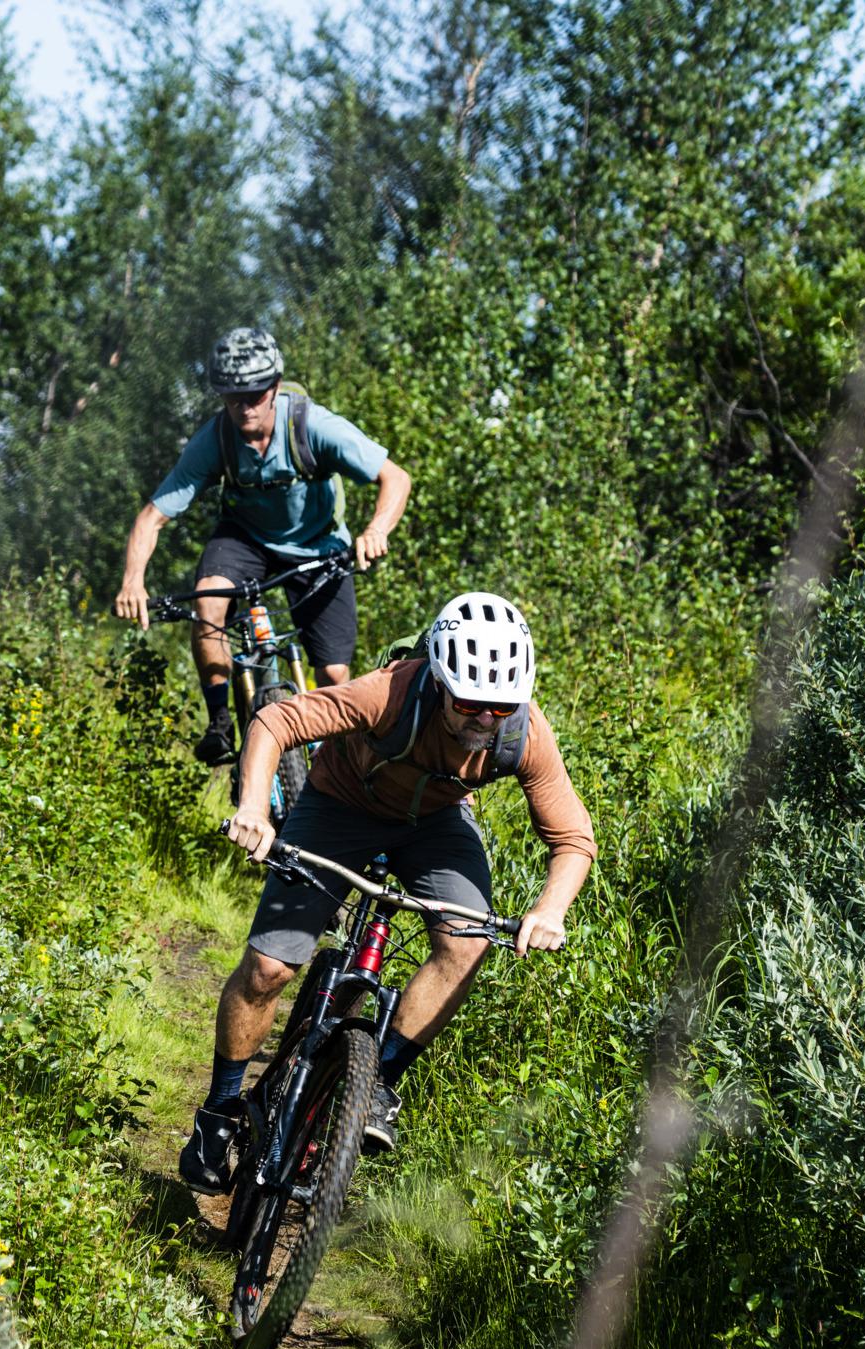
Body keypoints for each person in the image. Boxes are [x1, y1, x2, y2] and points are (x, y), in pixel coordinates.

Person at [177, 591, 596, 1194]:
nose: (486, 719)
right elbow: (276, 721)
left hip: (436, 824)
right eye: (470, 702)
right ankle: (218, 1112)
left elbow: (573, 837)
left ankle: (374, 1082)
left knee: (468, 944)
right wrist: (253, 808)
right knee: (269, 968)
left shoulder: (523, 732)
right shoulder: (391, 693)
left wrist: (550, 910)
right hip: (341, 805)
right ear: (440, 681)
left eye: (501, 707)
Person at [113, 326, 414, 764]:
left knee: (334, 672)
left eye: (255, 394)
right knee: (209, 602)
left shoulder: (313, 426)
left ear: (275, 386)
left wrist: (376, 531)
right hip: (245, 539)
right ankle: (220, 721)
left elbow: (396, 478)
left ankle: (335, 765)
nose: (245, 406)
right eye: (233, 396)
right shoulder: (216, 439)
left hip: (318, 543)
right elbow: (152, 517)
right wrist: (132, 581)